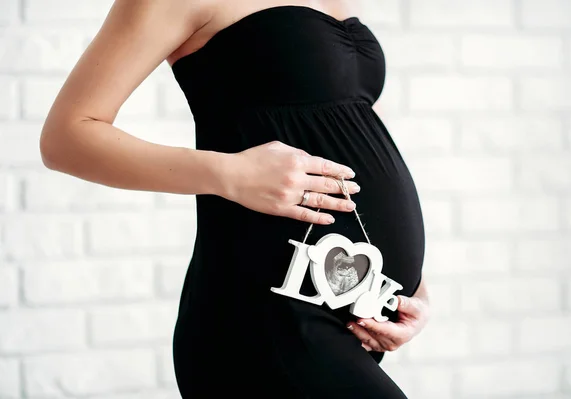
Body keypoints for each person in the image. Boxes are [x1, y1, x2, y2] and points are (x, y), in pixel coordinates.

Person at [39, 0, 431, 397]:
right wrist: (230, 174)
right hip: (267, 312)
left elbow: (352, 133)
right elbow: (65, 137)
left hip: (349, 306)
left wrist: (409, 290)